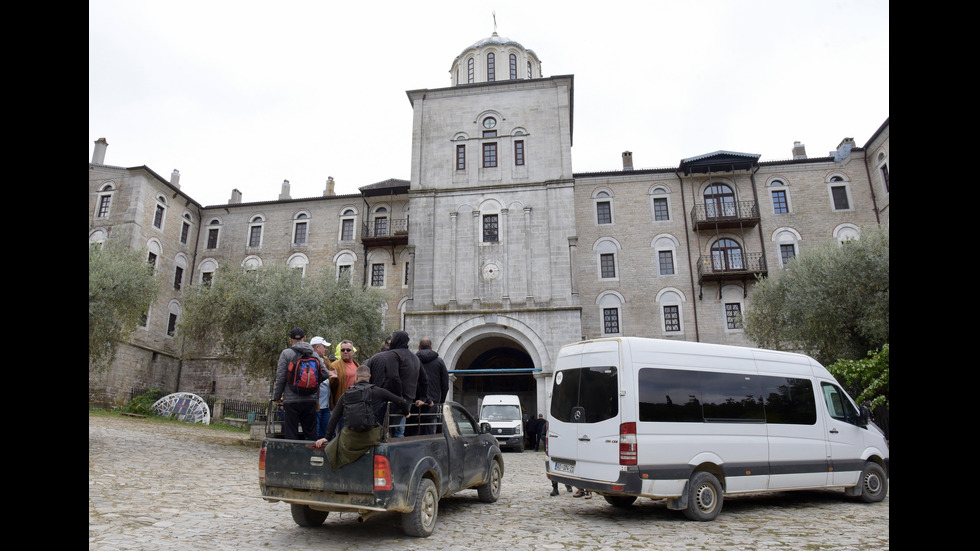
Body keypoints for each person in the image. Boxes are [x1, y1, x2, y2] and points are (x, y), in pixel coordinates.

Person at [314, 365, 410, 470]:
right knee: (386, 436)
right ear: (369, 377)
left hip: (349, 438)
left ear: (356, 377)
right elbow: (402, 402)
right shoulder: (379, 391)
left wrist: (326, 437)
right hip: (371, 437)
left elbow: (334, 417)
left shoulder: (346, 394)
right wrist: (406, 413)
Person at [368, 331, 428, 437]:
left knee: (384, 431)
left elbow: (393, 377)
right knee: (399, 431)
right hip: (408, 400)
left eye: (392, 339)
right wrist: (423, 398)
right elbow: (424, 379)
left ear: (396, 340)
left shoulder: (394, 354)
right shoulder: (415, 357)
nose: (390, 341)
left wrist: (399, 397)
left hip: (392, 400)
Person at [272, 327, 328, 441]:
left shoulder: (286, 354)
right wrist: (314, 384)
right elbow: (326, 373)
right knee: (310, 432)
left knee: (291, 432)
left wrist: (277, 396)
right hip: (310, 399)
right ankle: (309, 455)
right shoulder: (314, 354)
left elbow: (281, 377)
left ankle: (292, 457)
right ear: (304, 338)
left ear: (290, 340)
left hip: (291, 400)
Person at [412, 337, 449, 435]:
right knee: (430, 435)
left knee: (413, 434)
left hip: (415, 403)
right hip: (433, 404)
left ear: (419, 347)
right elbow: (445, 385)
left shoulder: (413, 361)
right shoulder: (439, 362)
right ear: (431, 348)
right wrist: (441, 402)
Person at [310, 336, 337, 440]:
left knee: (326, 434)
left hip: (325, 405)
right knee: (315, 434)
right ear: (317, 347)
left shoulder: (325, 361)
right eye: (324, 347)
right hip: (315, 405)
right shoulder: (310, 360)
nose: (325, 349)